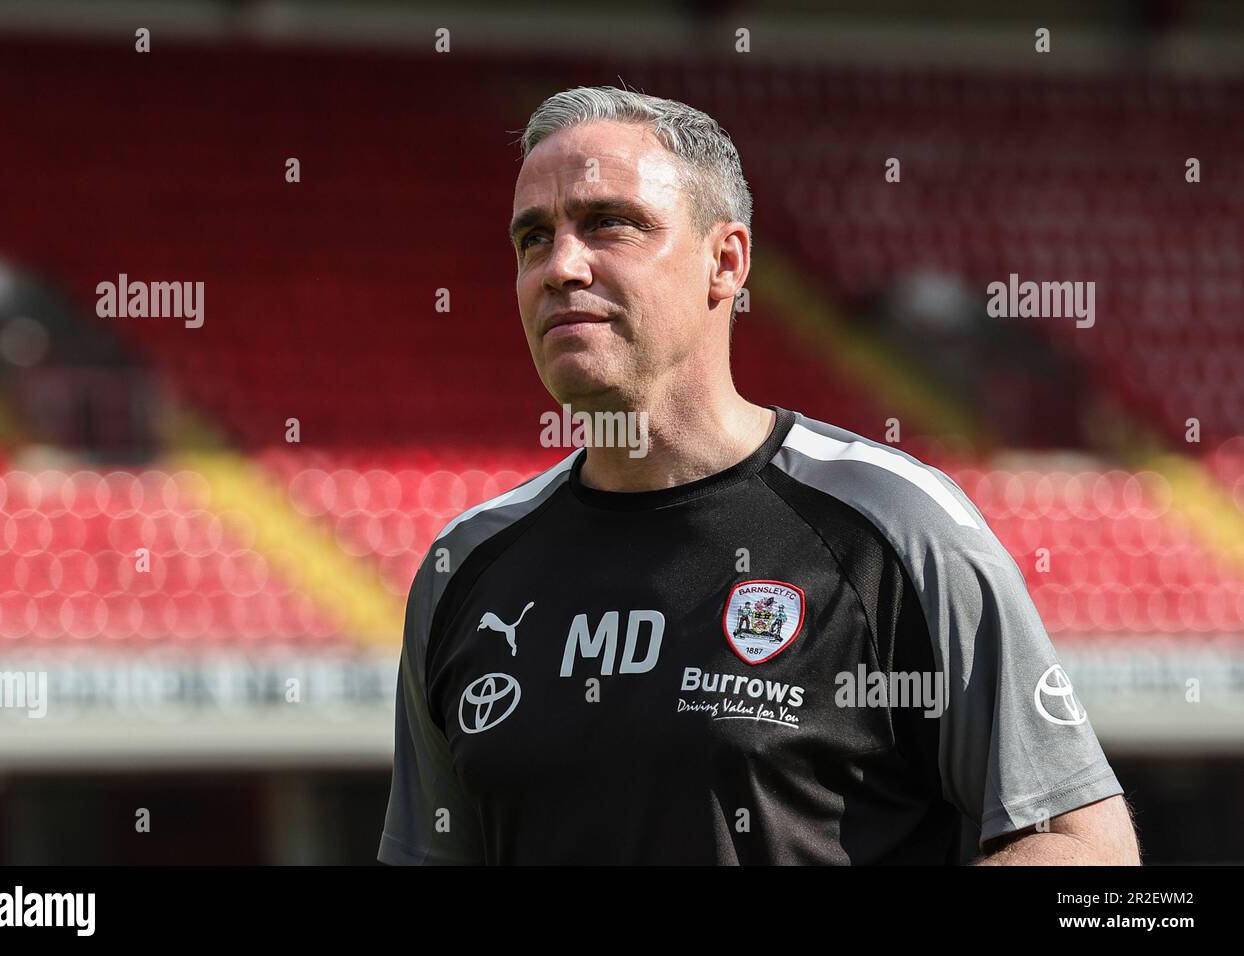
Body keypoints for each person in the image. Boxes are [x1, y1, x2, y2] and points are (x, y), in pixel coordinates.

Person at [377, 86, 1140, 865]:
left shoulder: (893, 527)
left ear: (726, 263)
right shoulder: (463, 569)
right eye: (533, 239)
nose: (560, 267)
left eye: (609, 224)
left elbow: (1083, 848)